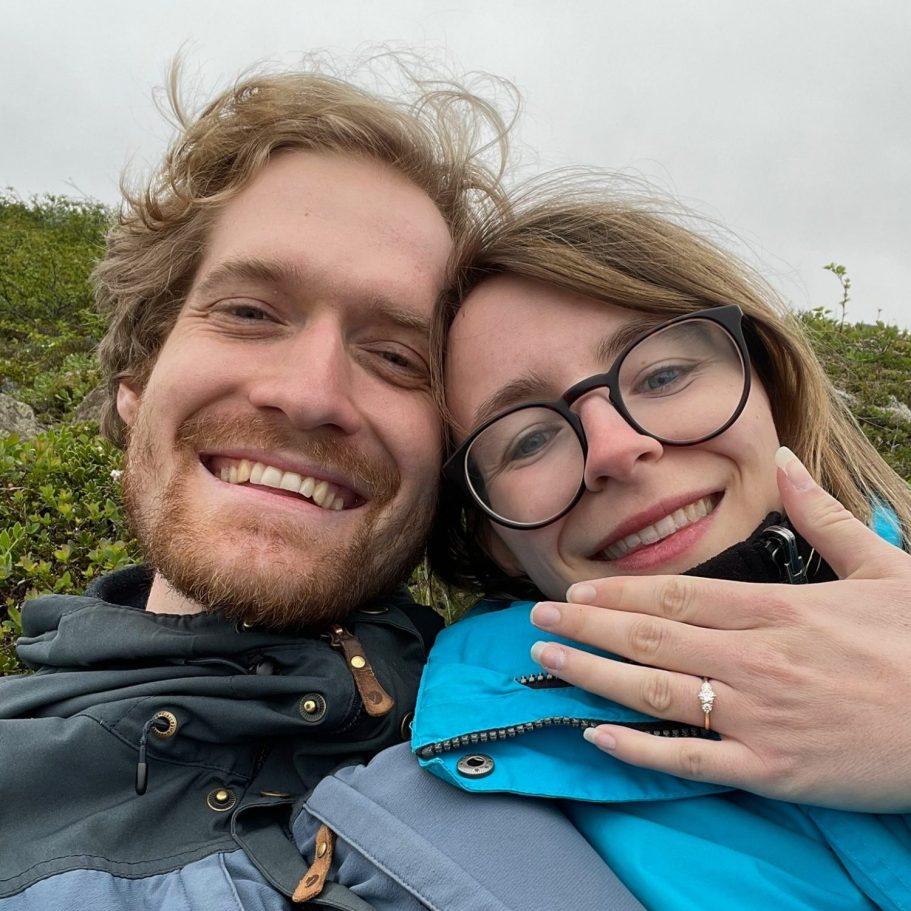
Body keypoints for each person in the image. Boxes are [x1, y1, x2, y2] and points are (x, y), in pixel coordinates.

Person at [0, 60, 526, 910]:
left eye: (398, 357)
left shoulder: (573, 735)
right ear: (137, 381)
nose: (311, 394)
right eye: (248, 312)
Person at [399, 189, 911, 908]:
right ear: (493, 536)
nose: (614, 447)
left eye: (664, 375)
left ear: (769, 388)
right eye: (530, 439)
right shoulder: (435, 827)